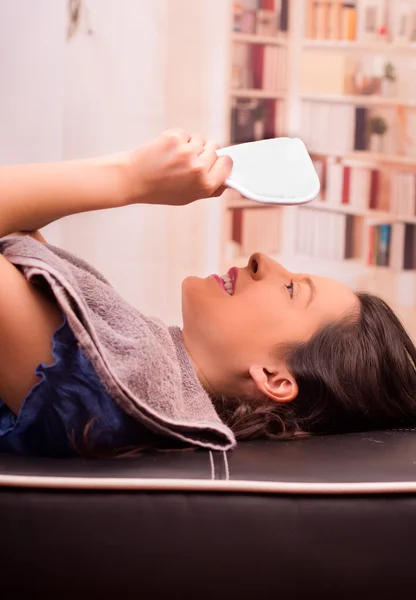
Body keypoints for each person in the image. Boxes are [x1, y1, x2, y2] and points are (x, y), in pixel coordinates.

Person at [0, 128, 415, 457]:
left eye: (291, 289)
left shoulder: (107, 393)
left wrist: (132, 179)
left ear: (272, 378)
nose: (261, 260)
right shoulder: (128, 361)